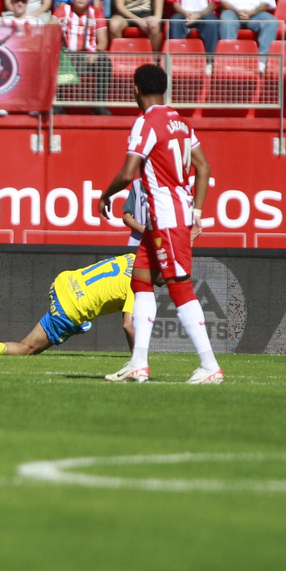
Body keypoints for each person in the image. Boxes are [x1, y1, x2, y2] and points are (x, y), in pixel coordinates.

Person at [96, 64, 221, 384]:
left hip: (166, 216)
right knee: (140, 281)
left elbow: (128, 172)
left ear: (136, 89)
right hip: (164, 218)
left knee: (180, 287)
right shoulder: (181, 123)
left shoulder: (146, 122)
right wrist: (197, 211)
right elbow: (204, 167)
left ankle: (210, 366)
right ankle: (138, 362)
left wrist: (105, 195)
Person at [0, 254, 153, 356]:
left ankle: (78, 324)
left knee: (83, 315)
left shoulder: (132, 258)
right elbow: (128, 324)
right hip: (70, 308)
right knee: (27, 348)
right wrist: (139, 358)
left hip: (64, 282)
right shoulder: (138, 283)